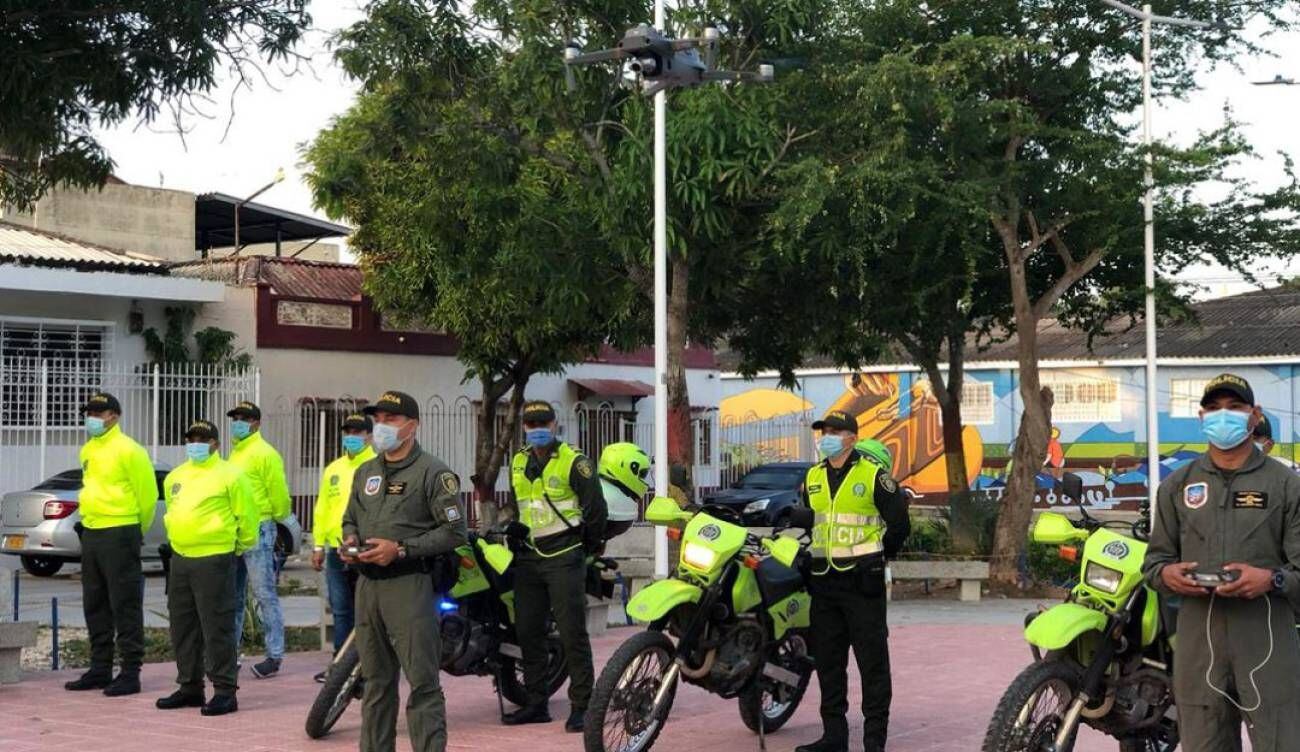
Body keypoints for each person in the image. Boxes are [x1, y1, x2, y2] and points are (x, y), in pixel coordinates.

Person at [1142, 373, 1300, 752]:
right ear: (1201, 418)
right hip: (1199, 642)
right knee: (1203, 743)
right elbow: (1153, 564)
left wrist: (1271, 580)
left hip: (1266, 640)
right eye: (1213, 409)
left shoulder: (1285, 485)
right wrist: (1168, 574)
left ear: (1254, 414)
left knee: (1281, 742)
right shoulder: (1177, 486)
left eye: (1234, 407)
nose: (1223, 416)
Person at [341, 390, 467, 752]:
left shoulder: (433, 473)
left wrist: (400, 549)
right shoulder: (366, 471)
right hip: (368, 587)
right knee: (376, 683)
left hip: (409, 586)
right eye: (377, 420)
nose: (381, 427)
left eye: (390, 420)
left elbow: (455, 532)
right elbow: (351, 516)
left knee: (422, 683)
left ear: (412, 426)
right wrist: (350, 541)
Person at [797, 410, 910, 752]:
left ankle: (874, 742)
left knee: (872, 666)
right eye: (823, 431)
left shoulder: (874, 476)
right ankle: (834, 737)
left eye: (833, 431)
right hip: (824, 584)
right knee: (829, 665)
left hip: (863, 585)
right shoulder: (812, 478)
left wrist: (877, 559)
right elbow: (810, 525)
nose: (825, 437)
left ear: (852, 438)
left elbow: (900, 526)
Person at [501, 400, 607, 732]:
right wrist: (516, 529)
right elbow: (522, 504)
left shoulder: (575, 462)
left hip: (565, 554)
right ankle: (536, 703)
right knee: (528, 631)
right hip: (529, 557)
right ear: (524, 427)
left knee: (571, 631)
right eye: (531, 424)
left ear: (555, 424)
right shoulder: (518, 460)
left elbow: (596, 511)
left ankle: (582, 705)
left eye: (542, 423)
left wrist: (583, 547)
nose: (537, 430)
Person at [156, 420, 257, 716]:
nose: (195, 443)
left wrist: (237, 547)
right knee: (183, 625)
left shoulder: (230, 475)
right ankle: (189, 686)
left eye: (202, 438)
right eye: (191, 438)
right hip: (181, 558)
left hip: (215, 557)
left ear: (215, 443)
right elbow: (173, 513)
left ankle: (225, 691)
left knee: (217, 626)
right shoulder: (176, 476)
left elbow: (247, 517)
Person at [63, 392, 158, 697]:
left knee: (124, 603)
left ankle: (130, 672)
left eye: (97, 412)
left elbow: (147, 497)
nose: (91, 417)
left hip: (120, 531)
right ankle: (100, 668)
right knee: (95, 602)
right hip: (91, 531)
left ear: (113, 416)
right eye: (88, 411)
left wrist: (134, 531)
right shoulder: (89, 449)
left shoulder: (130, 450)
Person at [225, 400, 290, 679]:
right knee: (234, 596)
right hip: (236, 529)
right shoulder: (234, 454)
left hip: (260, 528)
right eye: (235, 417)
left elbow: (279, 496)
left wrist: (273, 519)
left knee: (264, 594)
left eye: (244, 418)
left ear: (257, 423)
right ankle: (229, 653)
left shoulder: (265, 453)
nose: (238, 422)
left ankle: (274, 655)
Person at [311, 412, 376, 682]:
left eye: (357, 432)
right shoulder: (334, 469)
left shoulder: (376, 465)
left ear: (369, 436)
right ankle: (339, 666)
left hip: (365, 549)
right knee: (340, 608)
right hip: (336, 549)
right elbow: (322, 509)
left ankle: (369, 665)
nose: (351, 437)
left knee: (368, 609)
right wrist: (317, 545)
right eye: (347, 432)